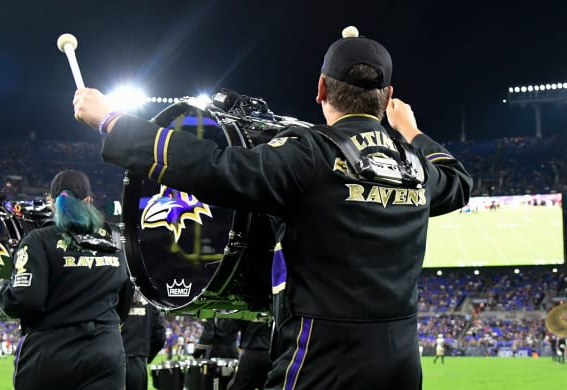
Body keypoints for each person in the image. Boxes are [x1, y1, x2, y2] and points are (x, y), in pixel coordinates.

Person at [73, 25, 472, 389]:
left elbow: (212, 166)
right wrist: (411, 130)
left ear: (321, 90)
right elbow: (457, 181)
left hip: (321, 361)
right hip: (401, 362)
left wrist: (113, 121)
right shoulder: (413, 165)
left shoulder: (311, 154)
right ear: (386, 97)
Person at [0, 170, 132, 390]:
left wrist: (1, 291)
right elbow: (124, 305)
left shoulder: (38, 240)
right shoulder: (116, 242)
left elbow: (25, 300)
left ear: (51, 201)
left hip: (51, 355)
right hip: (106, 353)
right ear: (88, 200)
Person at [121, 291, 167, 390]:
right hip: (138, 361)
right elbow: (159, 336)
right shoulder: (149, 298)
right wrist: (146, 355)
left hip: (114, 361)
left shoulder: (115, 289)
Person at [226, 320, 272, 390]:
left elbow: (231, 327)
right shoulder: (273, 309)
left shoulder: (246, 311)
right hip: (268, 355)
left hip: (249, 354)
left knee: (235, 387)